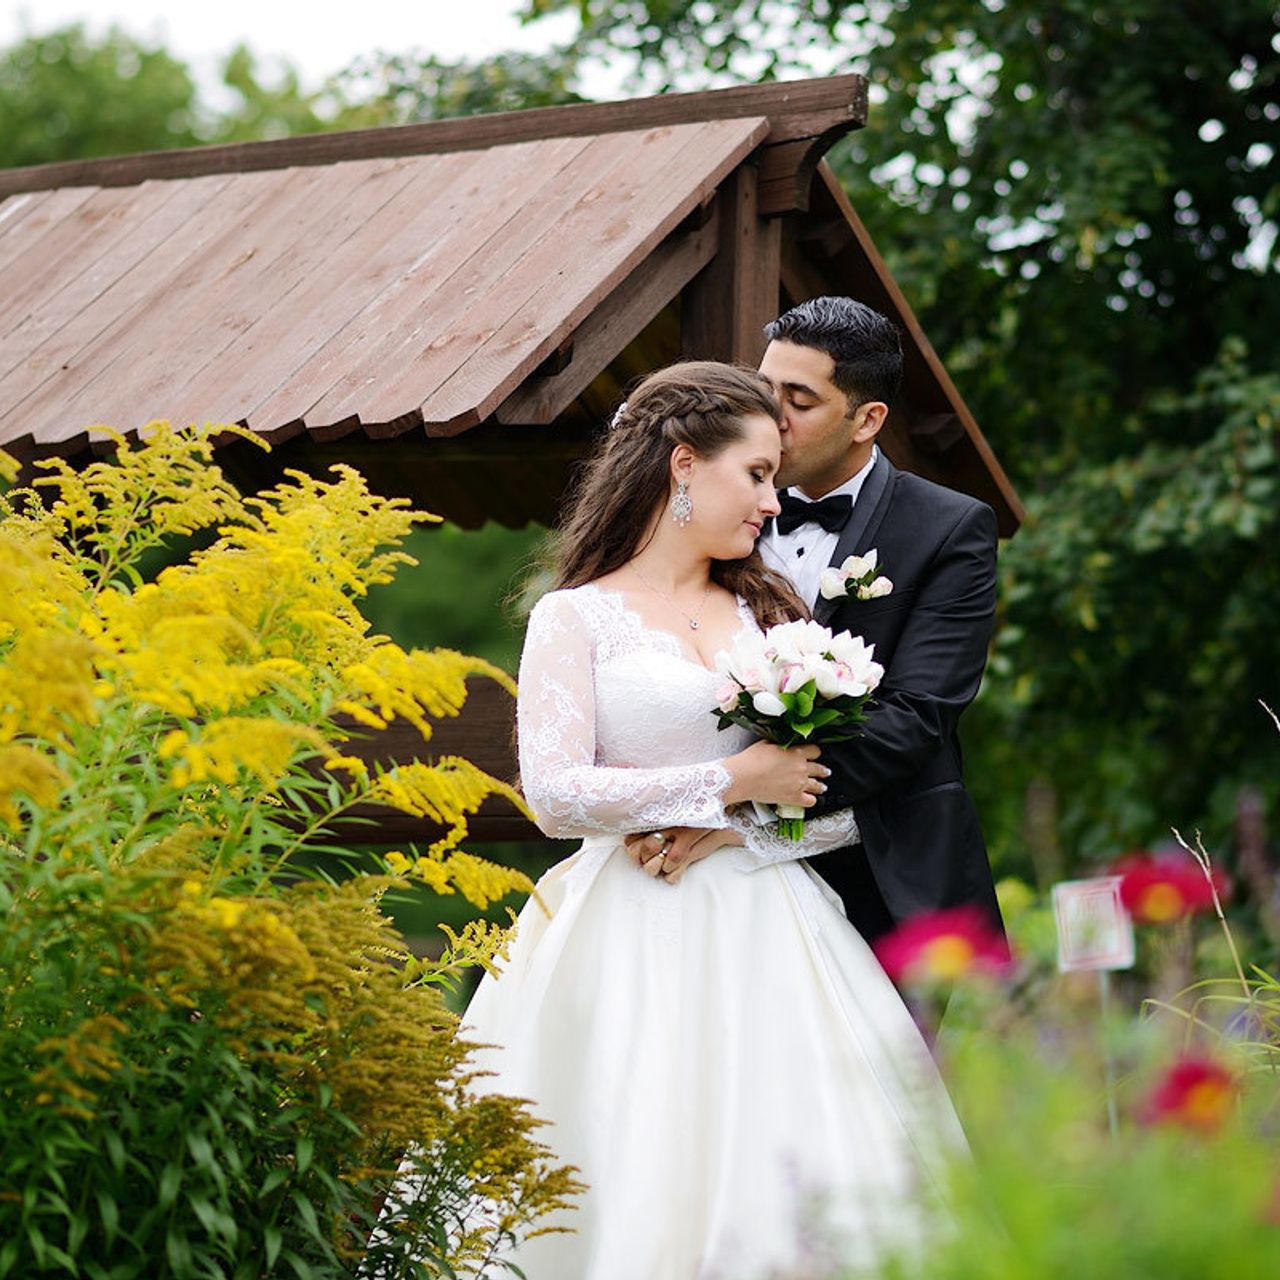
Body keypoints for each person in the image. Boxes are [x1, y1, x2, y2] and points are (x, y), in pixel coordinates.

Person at [436, 361, 964, 1278]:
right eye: (757, 475)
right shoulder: (574, 618)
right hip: (618, 929)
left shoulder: (775, 618)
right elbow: (556, 795)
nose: (772, 501)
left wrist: (740, 823)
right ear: (684, 464)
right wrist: (731, 777)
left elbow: (834, 807)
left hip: (777, 929)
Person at [633, 298, 1004, 951]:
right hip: (700, 875)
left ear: (868, 419)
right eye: (763, 388)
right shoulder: (709, 508)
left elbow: (916, 716)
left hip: (883, 878)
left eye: (798, 402)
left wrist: (750, 805)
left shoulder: (950, 530)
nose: (770, 420)